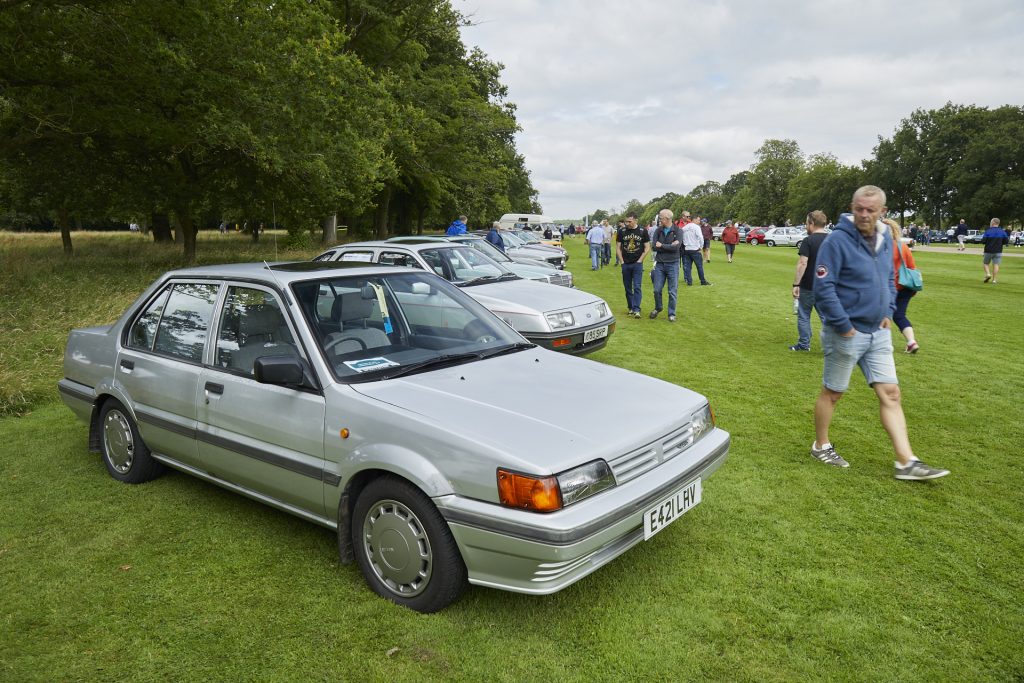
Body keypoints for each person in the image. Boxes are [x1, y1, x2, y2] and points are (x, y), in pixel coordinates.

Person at [809, 185, 949, 480]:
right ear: (852, 206)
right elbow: (824, 287)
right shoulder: (836, 242)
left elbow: (889, 276)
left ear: (882, 212)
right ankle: (821, 445)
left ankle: (906, 461)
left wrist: (887, 311)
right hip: (846, 332)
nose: (863, 214)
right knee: (833, 393)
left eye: (870, 210)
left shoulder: (886, 240)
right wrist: (843, 324)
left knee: (891, 394)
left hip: (878, 333)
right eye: (858, 208)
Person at [789, 210, 829, 351]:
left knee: (804, 315)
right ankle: (832, 345)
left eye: (806, 223)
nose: (806, 226)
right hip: (826, 286)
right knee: (826, 317)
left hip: (809, 284)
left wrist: (796, 284)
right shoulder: (832, 239)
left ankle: (804, 344)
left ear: (812, 223)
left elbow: (802, 263)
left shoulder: (808, 241)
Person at [884, 218, 921, 354]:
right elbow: (912, 268)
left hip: (890, 287)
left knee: (883, 315)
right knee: (899, 315)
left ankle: (885, 344)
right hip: (906, 286)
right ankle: (911, 341)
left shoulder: (882, 247)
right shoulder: (903, 247)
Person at [649, 209, 683, 322]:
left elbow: (676, 248)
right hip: (659, 264)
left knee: (672, 291)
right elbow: (654, 246)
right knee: (657, 290)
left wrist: (662, 245)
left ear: (668, 219)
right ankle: (658, 307)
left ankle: (671, 313)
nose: (659, 219)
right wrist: (669, 245)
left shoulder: (678, 231)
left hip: (673, 264)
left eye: (661, 218)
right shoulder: (658, 230)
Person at [616, 212, 651, 318]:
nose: (627, 223)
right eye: (626, 221)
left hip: (637, 264)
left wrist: (640, 260)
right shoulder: (622, 231)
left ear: (636, 220)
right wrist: (621, 261)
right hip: (625, 264)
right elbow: (618, 247)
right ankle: (630, 307)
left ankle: (637, 309)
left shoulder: (642, 231)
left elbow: (647, 247)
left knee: (637, 286)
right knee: (627, 288)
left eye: (629, 221)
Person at [680, 212, 711, 286]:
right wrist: (701, 246)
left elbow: (681, 236)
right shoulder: (697, 227)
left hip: (687, 249)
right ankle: (702, 281)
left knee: (688, 267)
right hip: (695, 249)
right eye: (698, 220)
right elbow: (700, 237)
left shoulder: (685, 227)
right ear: (694, 219)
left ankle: (689, 281)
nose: (699, 221)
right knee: (699, 266)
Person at [981, 218, 1009, 283]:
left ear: (993, 223)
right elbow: (1006, 241)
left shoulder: (988, 231)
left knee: (985, 263)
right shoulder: (1002, 231)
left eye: (991, 222)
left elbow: (983, 241)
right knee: (996, 264)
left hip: (988, 250)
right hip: (998, 250)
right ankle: (994, 280)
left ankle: (988, 274)